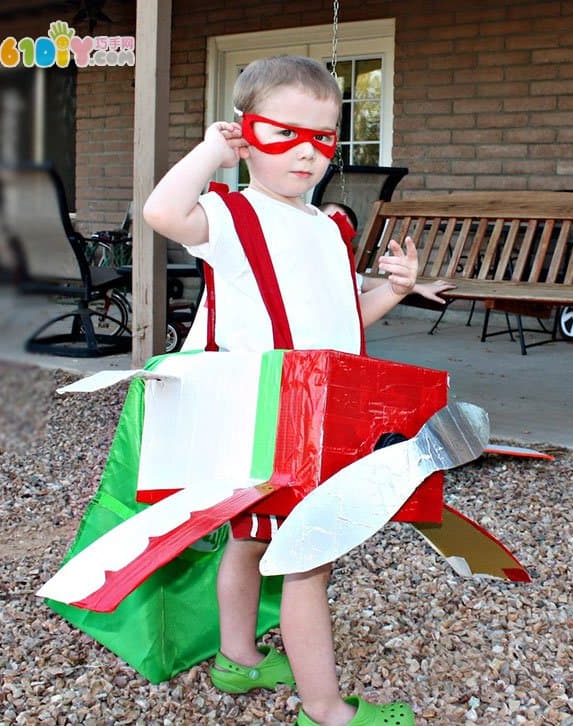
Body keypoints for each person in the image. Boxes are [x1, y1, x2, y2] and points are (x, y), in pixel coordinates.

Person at [143, 55, 416, 726]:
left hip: (322, 412)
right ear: (245, 132)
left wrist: (396, 289)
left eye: (323, 138)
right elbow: (160, 211)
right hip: (264, 415)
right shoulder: (232, 215)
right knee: (311, 559)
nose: (307, 152)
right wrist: (211, 153)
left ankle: (238, 656)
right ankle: (326, 708)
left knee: (252, 542)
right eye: (282, 133)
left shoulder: (328, 227)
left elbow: (341, 314)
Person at [318, 202, 456, 303]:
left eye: (341, 233)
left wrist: (417, 287)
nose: (331, 233)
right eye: (328, 222)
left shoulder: (336, 272)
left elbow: (364, 281)